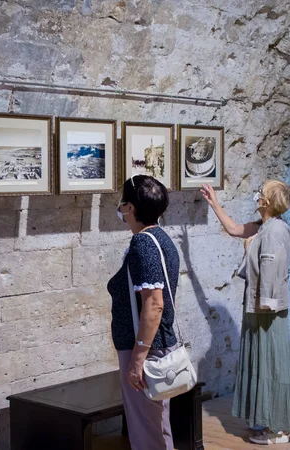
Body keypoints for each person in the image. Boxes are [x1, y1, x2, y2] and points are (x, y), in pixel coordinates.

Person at [201, 180, 290, 445]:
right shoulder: (266, 227)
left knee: (270, 365)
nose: (257, 195)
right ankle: (267, 422)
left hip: (266, 310)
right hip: (260, 308)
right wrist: (214, 202)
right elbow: (234, 229)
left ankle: (276, 429)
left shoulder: (273, 232)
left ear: (266, 201)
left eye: (261, 192)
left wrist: (264, 303)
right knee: (264, 364)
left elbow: (270, 270)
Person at [107, 174, 180, 450]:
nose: (121, 207)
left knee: (147, 435)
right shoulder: (160, 238)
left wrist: (137, 358)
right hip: (154, 347)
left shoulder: (144, 244)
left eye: (124, 201)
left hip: (146, 350)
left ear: (130, 208)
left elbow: (154, 303)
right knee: (157, 429)